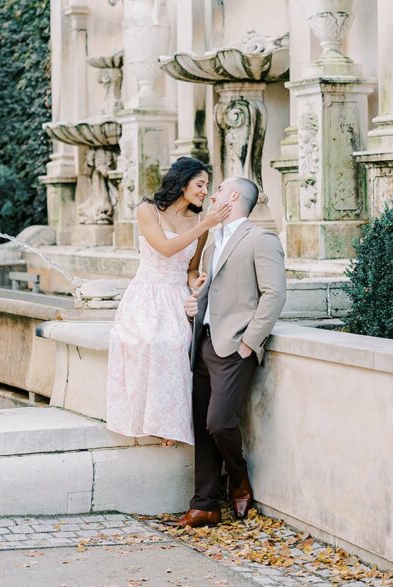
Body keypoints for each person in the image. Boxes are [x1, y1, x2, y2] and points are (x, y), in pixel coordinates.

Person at [170, 176, 287, 528]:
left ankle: (238, 478)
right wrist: (194, 306)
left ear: (234, 196)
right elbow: (211, 292)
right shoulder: (212, 243)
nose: (212, 194)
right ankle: (204, 504)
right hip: (203, 343)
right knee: (202, 428)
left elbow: (274, 294)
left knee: (219, 423)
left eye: (219, 189)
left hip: (234, 347)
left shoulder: (261, 239)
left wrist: (249, 343)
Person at [106, 157, 232, 446]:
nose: (205, 191)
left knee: (177, 345)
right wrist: (206, 224)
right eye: (200, 184)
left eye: (207, 185)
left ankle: (169, 425)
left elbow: (190, 269)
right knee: (149, 342)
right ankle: (145, 420)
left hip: (177, 296)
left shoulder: (200, 223)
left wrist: (196, 282)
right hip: (146, 294)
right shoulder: (148, 210)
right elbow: (164, 248)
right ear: (183, 182)